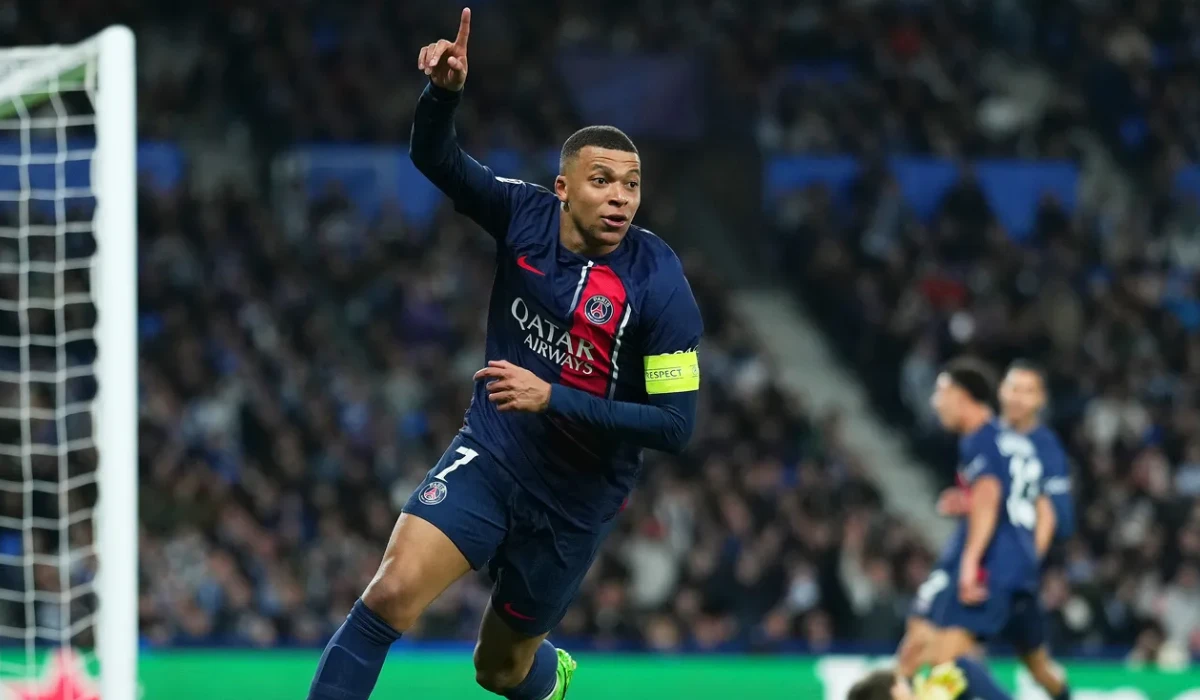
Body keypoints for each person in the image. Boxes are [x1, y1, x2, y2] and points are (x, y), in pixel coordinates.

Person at [306, 8, 704, 700]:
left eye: (631, 184)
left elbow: (675, 426)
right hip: (493, 454)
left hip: (575, 501)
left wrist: (553, 398)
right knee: (389, 594)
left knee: (498, 670)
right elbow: (436, 160)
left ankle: (550, 676)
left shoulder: (661, 284)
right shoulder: (523, 214)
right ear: (563, 188)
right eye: (602, 180)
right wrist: (443, 96)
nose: (619, 198)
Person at [894, 357, 1047, 700]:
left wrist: (970, 562)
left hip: (993, 558)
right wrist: (967, 501)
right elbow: (1006, 495)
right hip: (1008, 556)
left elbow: (990, 495)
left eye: (941, 392)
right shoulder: (1001, 439)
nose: (935, 402)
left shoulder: (980, 439)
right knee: (922, 645)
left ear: (962, 396)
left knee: (945, 661)